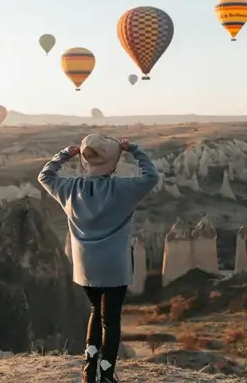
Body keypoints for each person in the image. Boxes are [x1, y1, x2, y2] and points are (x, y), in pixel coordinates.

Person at [37, 134, 160, 383]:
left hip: (85, 266)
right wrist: (133, 149)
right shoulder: (123, 189)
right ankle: (106, 373)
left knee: (95, 310)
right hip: (115, 266)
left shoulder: (69, 189)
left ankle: (88, 369)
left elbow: (45, 176)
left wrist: (64, 154)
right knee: (111, 320)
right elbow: (151, 176)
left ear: (84, 161)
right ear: (113, 164)